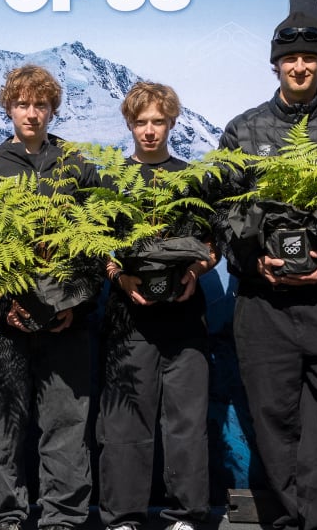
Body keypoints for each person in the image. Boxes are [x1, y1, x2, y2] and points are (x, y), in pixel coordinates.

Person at [218, 11, 317, 529]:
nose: (300, 67)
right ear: (276, 64)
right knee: (274, 418)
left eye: (310, 58)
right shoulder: (243, 129)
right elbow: (223, 212)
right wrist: (253, 261)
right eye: (290, 59)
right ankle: (294, 520)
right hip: (262, 300)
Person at [0, 65, 101, 530]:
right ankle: (3, 516)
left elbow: (99, 240)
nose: (32, 113)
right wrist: (0, 301)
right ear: (8, 108)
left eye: (41, 105)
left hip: (67, 321)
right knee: (1, 421)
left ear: (53, 110)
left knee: (66, 421)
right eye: (22, 104)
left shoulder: (77, 166)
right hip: (5, 322)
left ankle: (62, 517)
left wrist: (78, 303)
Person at [98, 82, 214, 530]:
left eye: (158, 122)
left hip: (185, 317)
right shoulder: (111, 182)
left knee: (187, 423)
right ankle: (123, 517)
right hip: (129, 319)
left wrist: (195, 272)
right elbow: (96, 248)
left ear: (172, 123)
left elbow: (213, 245)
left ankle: (185, 515)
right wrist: (121, 278)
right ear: (129, 124)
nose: (149, 130)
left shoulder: (192, 179)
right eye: (141, 122)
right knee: (125, 422)